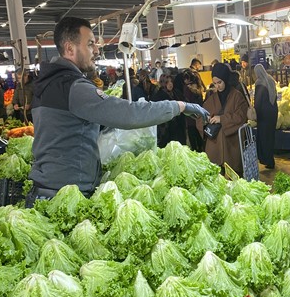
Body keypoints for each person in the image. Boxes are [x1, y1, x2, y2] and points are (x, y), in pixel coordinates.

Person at [26, 17, 209, 206]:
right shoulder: (73, 87)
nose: (96, 50)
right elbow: (128, 114)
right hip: (65, 195)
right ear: (70, 48)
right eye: (90, 44)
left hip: (48, 188)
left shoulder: (48, 84)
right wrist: (179, 106)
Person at [197, 63, 248, 176]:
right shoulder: (211, 98)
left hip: (231, 146)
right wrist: (206, 121)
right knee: (216, 179)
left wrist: (222, 119)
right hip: (214, 146)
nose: (217, 86)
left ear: (225, 79)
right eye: (214, 83)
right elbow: (200, 117)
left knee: (234, 179)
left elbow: (241, 116)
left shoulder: (237, 96)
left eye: (219, 82)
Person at [253, 64, 278, 169]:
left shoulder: (259, 83)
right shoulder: (270, 80)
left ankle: (267, 160)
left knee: (264, 138)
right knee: (270, 137)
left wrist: (254, 113)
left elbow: (258, 102)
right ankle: (270, 160)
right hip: (273, 112)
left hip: (264, 115)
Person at [151, 74, 187, 147]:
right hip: (166, 129)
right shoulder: (158, 96)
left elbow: (185, 103)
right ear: (163, 83)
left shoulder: (176, 92)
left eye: (171, 82)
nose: (170, 84)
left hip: (179, 127)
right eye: (167, 82)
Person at [182, 68, 205, 152]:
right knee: (199, 135)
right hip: (199, 114)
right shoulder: (198, 87)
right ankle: (201, 150)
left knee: (192, 136)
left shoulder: (187, 89)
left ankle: (195, 151)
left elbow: (187, 102)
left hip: (191, 116)